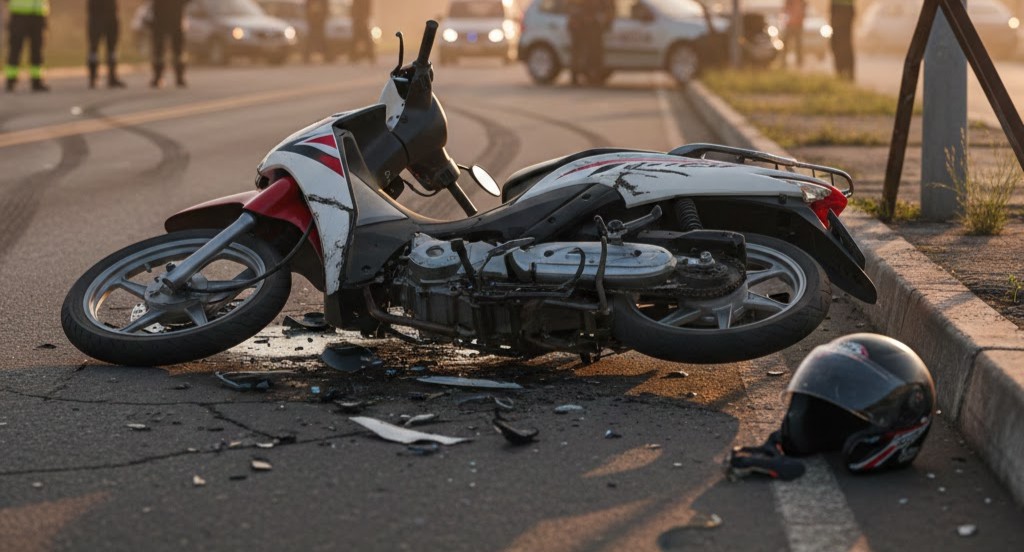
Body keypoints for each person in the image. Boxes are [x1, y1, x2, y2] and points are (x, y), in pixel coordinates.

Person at [5, 0, 50, 92]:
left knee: (37, 50)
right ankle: (11, 79)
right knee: (15, 48)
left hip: (38, 14)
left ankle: (36, 80)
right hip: (19, 14)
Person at [151, 0, 190, 88]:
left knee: (176, 50)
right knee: (162, 50)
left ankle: (176, 77)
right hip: (168, 17)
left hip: (165, 17)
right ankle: (161, 76)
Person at [87, 0, 125, 89]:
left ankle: (98, 78)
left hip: (100, 15)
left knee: (107, 49)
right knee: (97, 49)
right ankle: (102, 78)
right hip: (103, 14)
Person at [830, 0, 855, 80]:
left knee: (839, 44)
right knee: (844, 44)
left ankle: (843, 72)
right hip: (844, 9)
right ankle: (846, 72)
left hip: (840, 9)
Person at [783, 0, 805, 68]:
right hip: (789, 25)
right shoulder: (789, 1)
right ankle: (783, 61)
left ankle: (799, 62)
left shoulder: (802, 2)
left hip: (798, 25)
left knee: (798, 45)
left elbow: (803, 12)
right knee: (786, 43)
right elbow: (785, 11)